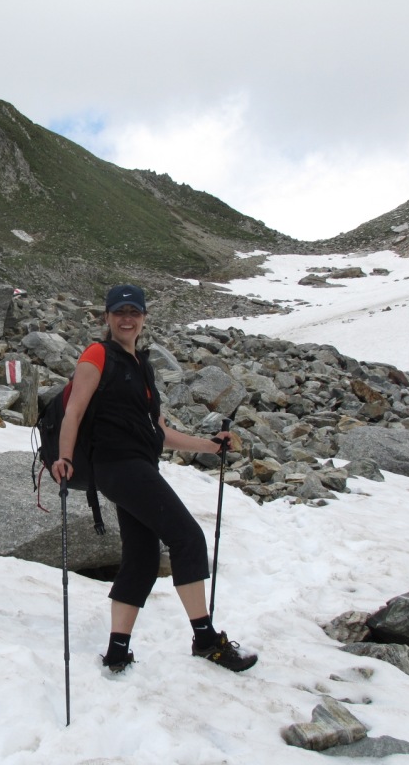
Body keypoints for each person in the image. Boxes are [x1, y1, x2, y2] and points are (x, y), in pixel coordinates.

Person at [50, 284, 257, 674]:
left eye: (134, 312)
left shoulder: (142, 366)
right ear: (107, 317)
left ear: (144, 318)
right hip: (118, 466)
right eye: (119, 312)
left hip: (138, 466)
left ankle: (117, 650)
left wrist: (211, 446)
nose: (126, 318)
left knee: (143, 559)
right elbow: (74, 411)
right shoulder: (97, 354)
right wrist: (64, 457)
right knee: (188, 537)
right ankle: (206, 639)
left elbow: (159, 432)